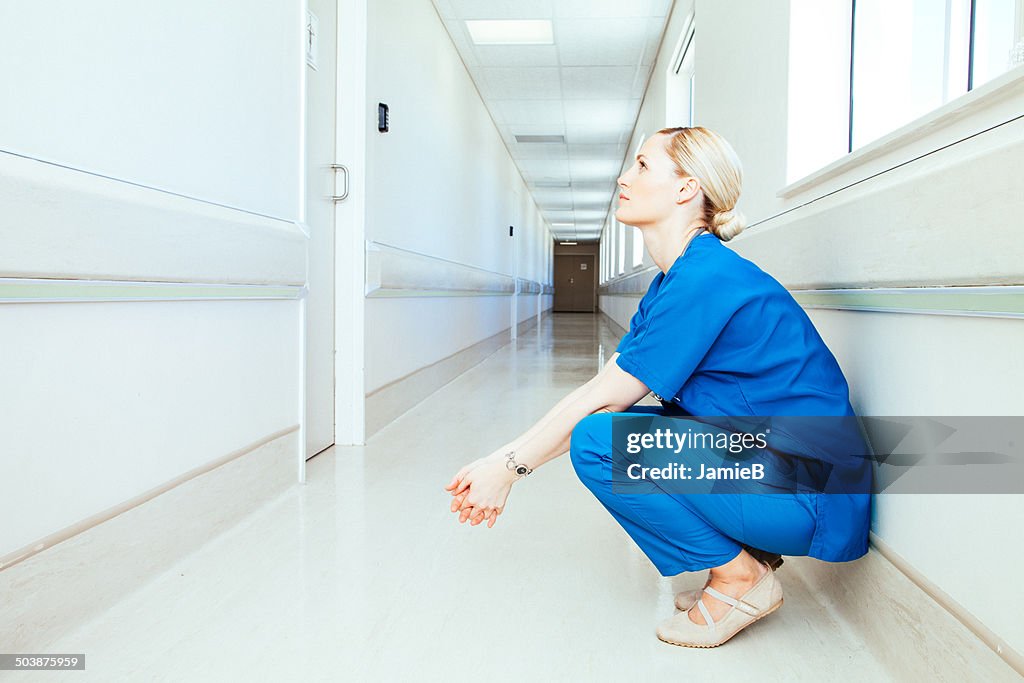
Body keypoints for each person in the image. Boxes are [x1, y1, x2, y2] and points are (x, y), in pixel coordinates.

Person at [443, 126, 871, 648]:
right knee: (614, 431)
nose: (624, 178)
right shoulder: (678, 277)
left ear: (687, 188)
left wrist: (506, 470)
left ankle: (741, 579)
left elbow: (602, 401)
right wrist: (503, 462)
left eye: (642, 166)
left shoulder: (706, 280)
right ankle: (749, 559)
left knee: (601, 444)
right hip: (776, 463)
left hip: (808, 491)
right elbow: (604, 388)